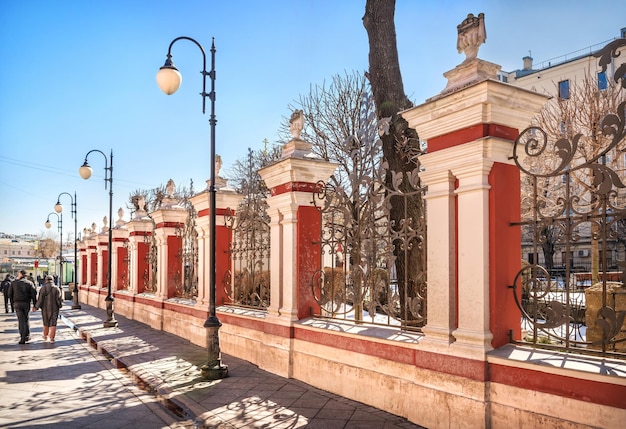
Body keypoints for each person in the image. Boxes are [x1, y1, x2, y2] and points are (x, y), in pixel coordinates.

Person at [8, 270, 37, 344]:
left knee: (21, 320)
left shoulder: (14, 283)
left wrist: (12, 303)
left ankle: (22, 337)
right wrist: (35, 305)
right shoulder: (29, 283)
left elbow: (9, 294)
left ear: (20, 274)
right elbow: (34, 294)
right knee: (26, 318)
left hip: (17, 303)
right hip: (26, 303)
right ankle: (26, 335)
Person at [33, 275, 63, 343]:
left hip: (45, 308)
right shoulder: (56, 288)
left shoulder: (43, 288)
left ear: (46, 280)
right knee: (53, 323)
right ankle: (52, 338)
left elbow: (40, 299)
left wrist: (36, 307)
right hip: (54, 308)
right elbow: (59, 299)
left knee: (46, 322)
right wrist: (59, 305)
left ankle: (45, 336)